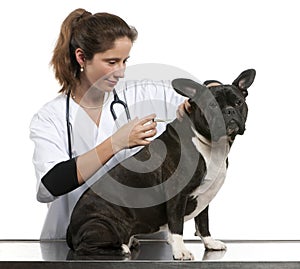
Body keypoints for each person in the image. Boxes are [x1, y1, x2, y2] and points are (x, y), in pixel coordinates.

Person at [30, 8, 191, 240]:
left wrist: (210, 90)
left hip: (144, 242)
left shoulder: (139, 95)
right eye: (112, 62)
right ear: (81, 57)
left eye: (125, 61)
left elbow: (196, 96)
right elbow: (51, 184)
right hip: (78, 241)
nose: (121, 72)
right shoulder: (51, 117)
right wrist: (116, 143)